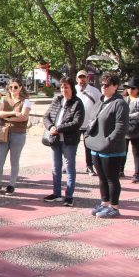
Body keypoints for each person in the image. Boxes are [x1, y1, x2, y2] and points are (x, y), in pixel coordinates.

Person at [85, 74, 129, 218]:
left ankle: (114, 207)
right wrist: (87, 137)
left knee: (112, 178)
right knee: (102, 178)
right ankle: (104, 203)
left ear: (115, 86)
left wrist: (108, 141)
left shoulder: (119, 103)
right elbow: (92, 121)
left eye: (107, 85)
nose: (103, 87)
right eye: (102, 84)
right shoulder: (100, 101)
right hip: (96, 147)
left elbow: (121, 127)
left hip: (112, 149)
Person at [42, 77, 85, 206]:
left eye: (66, 87)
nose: (63, 90)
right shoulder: (57, 100)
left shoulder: (77, 103)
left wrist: (59, 128)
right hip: (55, 140)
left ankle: (69, 196)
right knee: (56, 168)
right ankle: (56, 193)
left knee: (70, 168)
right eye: (61, 87)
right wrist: (51, 127)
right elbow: (46, 116)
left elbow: (77, 122)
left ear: (72, 88)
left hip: (69, 140)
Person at [0, 78, 32, 195]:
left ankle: (11, 185)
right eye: (11, 87)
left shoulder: (26, 101)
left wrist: (6, 117)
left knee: (14, 161)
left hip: (18, 133)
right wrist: (12, 113)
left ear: (20, 88)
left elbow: (23, 117)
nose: (13, 89)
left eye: (15, 87)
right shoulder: (4, 99)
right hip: (4, 132)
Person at [121, 78, 139, 183]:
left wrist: (127, 116)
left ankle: (137, 174)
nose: (130, 90)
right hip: (125, 129)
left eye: (133, 88)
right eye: (128, 87)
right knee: (122, 151)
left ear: (138, 89)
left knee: (137, 152)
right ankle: (120, 170)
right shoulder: (124, 98)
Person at [75, 70, 101, 175]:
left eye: (84, 77)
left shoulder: (95, 91)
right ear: (77, 79)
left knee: (89, 147)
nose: (82, 79)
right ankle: (69, 164)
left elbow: (100, 104)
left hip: (89, 124)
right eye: (80, 77)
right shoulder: (73, 89)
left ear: (87, 78)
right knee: (72, 145)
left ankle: (89, 166)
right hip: (75, 123)